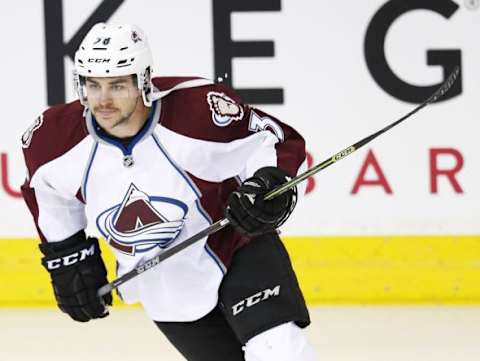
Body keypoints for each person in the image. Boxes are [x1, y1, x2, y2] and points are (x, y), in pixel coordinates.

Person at [21, 23, 317, 361]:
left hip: (236, 240)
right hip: (163, 278)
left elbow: (271, 141)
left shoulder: (199, 111)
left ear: (143, 81)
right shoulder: (53, 141)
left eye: (117, 85)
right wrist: (69, 258)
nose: (102, 100)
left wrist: (269, 185)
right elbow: (45, 193)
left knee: (278, 350)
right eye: (93, 84)